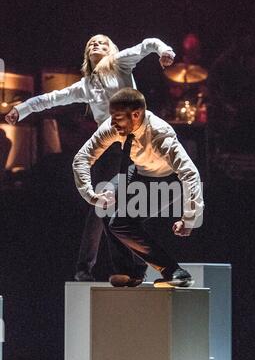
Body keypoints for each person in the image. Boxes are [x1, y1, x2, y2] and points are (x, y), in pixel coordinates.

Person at [5, 35, 175, 283]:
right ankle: (87, 270)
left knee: (124, 208)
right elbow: (51, 98)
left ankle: (138, 267)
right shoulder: (85, 85)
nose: (96, 44)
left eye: (102, 42)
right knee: (101, 208)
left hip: (134, 145)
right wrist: (22, 109)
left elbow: (147, 44)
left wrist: (164, 51)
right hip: (107, 149)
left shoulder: (120, 63)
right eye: (91, 43)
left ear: (112, 49)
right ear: (86, 54)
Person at [73, 88, 204, 287]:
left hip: (165, 178)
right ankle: (129, 271)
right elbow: (82, 158)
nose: (113, 124)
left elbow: (190, 173)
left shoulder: (160, 134)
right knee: (103, 204)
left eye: (118, 118)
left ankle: (175, 271)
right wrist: (91, 195)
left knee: (121, 223)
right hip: (138, 171)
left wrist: (189, 217)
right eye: (112, 118)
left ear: (136, 115)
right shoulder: (113, 126)